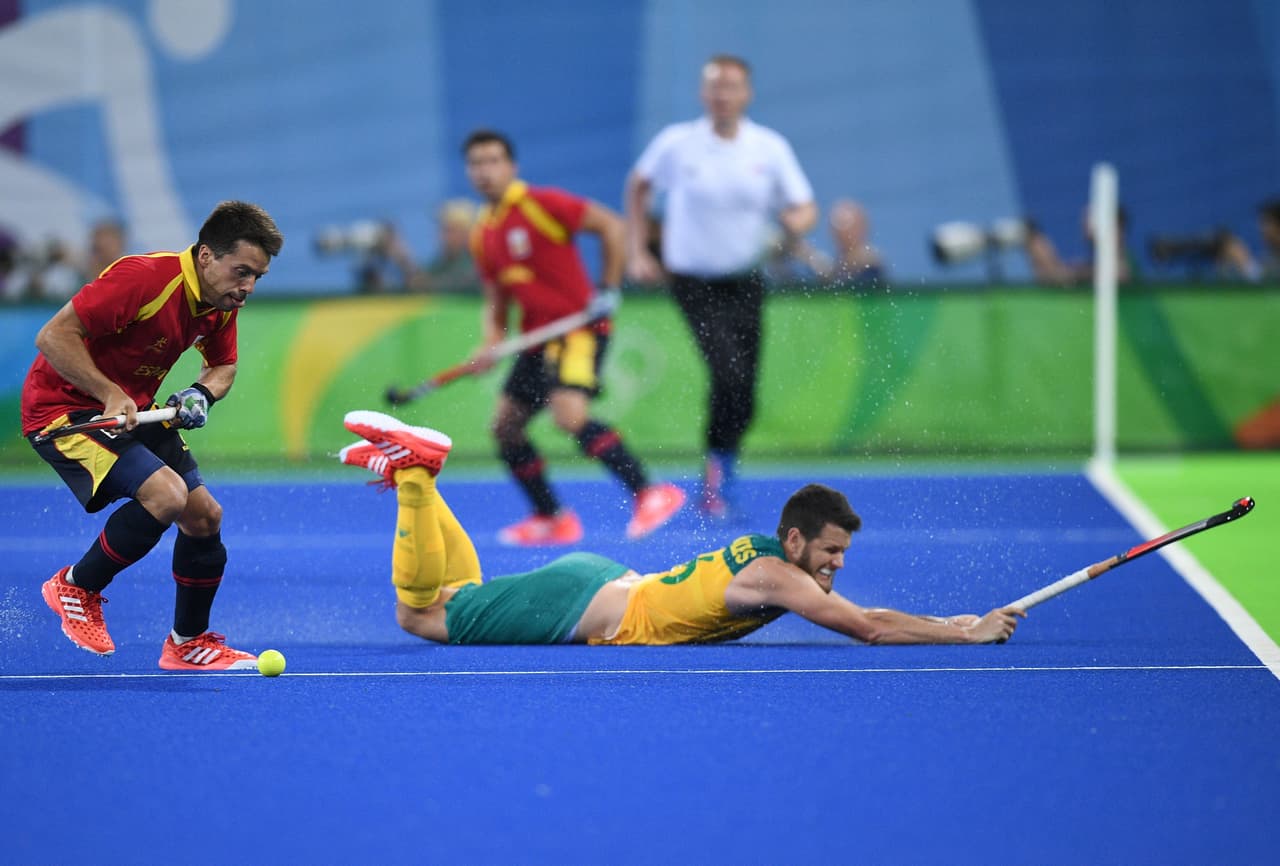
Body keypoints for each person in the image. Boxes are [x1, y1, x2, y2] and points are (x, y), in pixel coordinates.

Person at [338, 410, 1024, 646]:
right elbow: (867, 626)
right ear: (795, 541)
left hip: (599, 588)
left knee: (453, 590)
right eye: (831, 550)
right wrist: (962, 631)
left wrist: (957, 625)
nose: (838, 563)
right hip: (590, 604)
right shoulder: (777, 575)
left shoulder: (775, 565)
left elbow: (861, 610)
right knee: (418, 616)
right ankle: (420, 475)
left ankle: (412, 474)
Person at [21, 200, 283, 670]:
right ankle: (76, 585)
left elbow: (223, 365)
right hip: (64, 412)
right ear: (206, 256)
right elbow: (54, 336)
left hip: (133, 412)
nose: (247, 287)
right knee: (167, 495)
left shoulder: (219, 300)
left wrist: (202, 392)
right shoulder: (145, 279)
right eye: (242, 271)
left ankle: (187, 644)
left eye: (256, 277)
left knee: (204, 517)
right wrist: (108, 392)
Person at [462, 129, 685, 545]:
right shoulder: (483, 234)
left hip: (577, 329)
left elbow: (612, 227)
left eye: (493, 161)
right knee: (506, 427)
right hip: (535, 339)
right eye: (476, 163)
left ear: (512, 167)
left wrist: (609, 286)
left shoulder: (540, 204)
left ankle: (651, 493)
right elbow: (496, 303)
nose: (485, 171)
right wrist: (490, 343)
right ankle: (552, 518)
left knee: (569, 415)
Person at [624, 54, 818, 518]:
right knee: (727, 374)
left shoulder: (768, 148)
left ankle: (721, 467)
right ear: (702, 93)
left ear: (746, 93)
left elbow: (805, 207)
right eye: (713, 86)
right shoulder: (678, 143)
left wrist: (796, 223)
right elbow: (638, 185)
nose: (721, 95)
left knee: (744, 392)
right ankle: (715, 489)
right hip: (692, 281)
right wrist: (637, 250)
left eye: (731, 86)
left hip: (747, 282)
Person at [1024, 206, 1134, 286]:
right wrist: (1039, 252)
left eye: (1095, 219)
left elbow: (1119, 274)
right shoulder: (1089, 266)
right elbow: (1058, 275)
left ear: (1117, 229)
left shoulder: (1127, 263)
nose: (1086, 223)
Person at [409, 198, 480, 294]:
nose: (442, 236)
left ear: (467, 233)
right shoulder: (441, 261)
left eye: (449, 230)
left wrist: (427, 284)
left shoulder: (478, 261)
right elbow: (420, 279)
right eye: (441, 229)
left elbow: (464, 283)